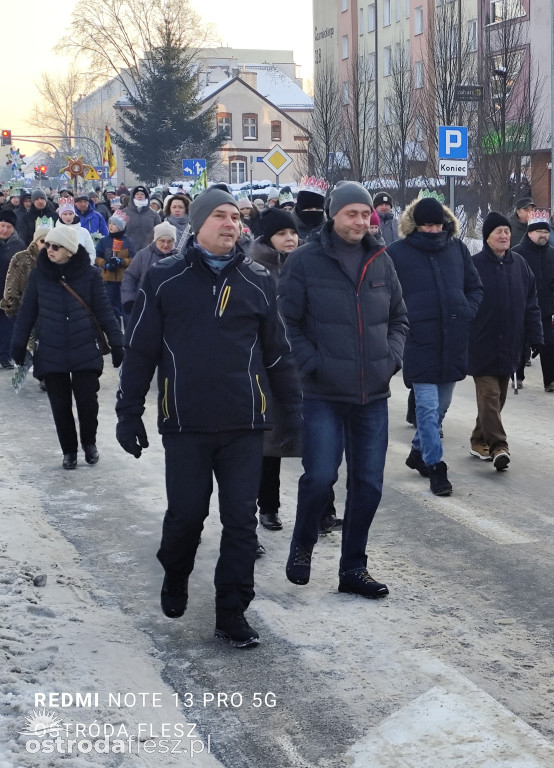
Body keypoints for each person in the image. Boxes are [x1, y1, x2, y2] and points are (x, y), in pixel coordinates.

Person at [115, 187, 299, 648]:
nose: (231, 223)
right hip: (186, 423)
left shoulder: (257, 279)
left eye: (235, 216)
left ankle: (232, 611)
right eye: (220, 215)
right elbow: (141, 350)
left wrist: (294, 413)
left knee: (241, 522)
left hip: (244, 423)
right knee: (187, 516)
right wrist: (128, 412)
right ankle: (176, 572)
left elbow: (277, 353)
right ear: (197, 224)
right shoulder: (165, 278)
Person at [278, 182, 408, 597]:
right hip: (323, 393)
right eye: (351, 213)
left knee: (368, 484)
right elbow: (286, 322)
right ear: (333, 215)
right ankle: (303, 544)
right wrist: (311, 364)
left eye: (365, 214)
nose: (360, 221)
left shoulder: (381, 259)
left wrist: (391, 359)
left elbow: (399, 318)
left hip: (373, 394)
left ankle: (353, 567)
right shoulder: (304, 261)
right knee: (320, 477)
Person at [390, 196, 483, 495]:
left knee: (441, 407)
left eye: (437, 225)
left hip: (453, 339)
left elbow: (475, 286)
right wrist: (402, 324)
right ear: (415, 225)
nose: (433, 230)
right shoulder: (397, 253)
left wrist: (466, 310)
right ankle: (436, 467)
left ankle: (418, 452)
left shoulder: (457, 249)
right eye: (427, 225)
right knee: (427, 410)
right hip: (419, 341)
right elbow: (385, 294)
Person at [11, 224, 124, 468]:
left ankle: (89, 443)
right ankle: (69, 451)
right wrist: (18, 344)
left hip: (84, 346)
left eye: (55, 246)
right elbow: (27, 311)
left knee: (87, 401)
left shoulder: (90, 275)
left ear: (70, 251)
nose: (49, 250)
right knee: (60, 405)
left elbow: (104, 310)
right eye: (47, 245)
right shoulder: (39, 274)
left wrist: (117, 342)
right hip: (50, 347)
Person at [245, 207, 309, 536]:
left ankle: (323, 510)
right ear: (268, 238)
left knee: (317, 442)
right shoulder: (253, 270)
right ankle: (267, 507)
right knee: (268, 444)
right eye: (282, 233)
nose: (290, 238)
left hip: (305, 364)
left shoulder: (308, 265)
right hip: (268, 367)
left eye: (293, 233)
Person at [467, 211, 544, 469]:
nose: (504, 236)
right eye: (498, 232)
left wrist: (536, 336)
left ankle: (479, 439)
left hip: (511, 343)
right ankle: (499, 446)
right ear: (487, 237)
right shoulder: (473, 265)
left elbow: (531, 304)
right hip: (481, 342)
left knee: (497, 398)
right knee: (489, 395)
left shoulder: (519, 265)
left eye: (507, 231)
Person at [513, 210, 554, 393]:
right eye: (539, 232)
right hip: (521, 308)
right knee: (520, 344)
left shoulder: (553, 254)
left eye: (546, 232)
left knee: (548, 344)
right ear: (530, 233)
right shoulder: (517, 253)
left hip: (544, 308)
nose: (543, 235)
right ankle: (517, 376)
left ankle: (550, 380)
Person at [121, 221, 175, 317]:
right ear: (155, 240)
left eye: (169, 241)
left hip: (170, 308)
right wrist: (128, 299)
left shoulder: (179, 258)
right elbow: (129, 277)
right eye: (162, 241)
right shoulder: (143, 255)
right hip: (145, 306)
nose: (166, 245)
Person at [95, 213, 136, 328]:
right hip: (108, 280)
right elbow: (97, 257)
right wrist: (105, 264)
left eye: (114, 224)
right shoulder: (103, 241)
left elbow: (133, 259)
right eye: (110, 223)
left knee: (124, 307)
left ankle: (128, 330)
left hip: (124, 280)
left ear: (121, 226)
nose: (111, 226)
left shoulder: (128, 241)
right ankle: (114, 328)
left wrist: (122, 262)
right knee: (111, 307)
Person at [2, 221, 49, 320]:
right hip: (24, 311)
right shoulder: (21, 258)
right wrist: (12, 309)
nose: (45, 245)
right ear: (35, 242)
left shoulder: (55, 261)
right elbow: (12, 286)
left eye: (49, 243)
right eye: (42, 241)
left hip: (46, 313)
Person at [0, 209, 27, 367]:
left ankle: (4, 356)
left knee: (7, 325)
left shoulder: (19, 245)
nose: (4, 230)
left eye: (8, 227)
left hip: (9, 293)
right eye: (2, 225)